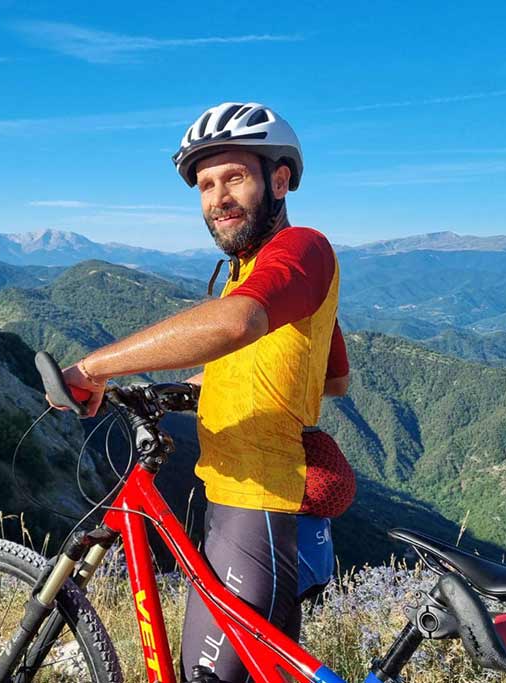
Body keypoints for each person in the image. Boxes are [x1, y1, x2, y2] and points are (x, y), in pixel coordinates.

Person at [52, 101, 356, 683]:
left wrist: (95, 368)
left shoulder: (301, 249)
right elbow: (329, 375)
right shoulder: (256, 267)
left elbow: (236, 324)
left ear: (280, 179)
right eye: (205, 185)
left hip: (260, 503)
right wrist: (180, 390)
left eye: (234, 178)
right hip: (239, 498)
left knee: (205, 677)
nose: (217, 198)